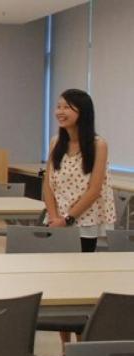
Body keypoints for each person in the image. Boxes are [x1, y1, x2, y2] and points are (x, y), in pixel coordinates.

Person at [44, 88, 116, 250]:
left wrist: (67, 220)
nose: (60, 112)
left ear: (83, 113)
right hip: (56, 219)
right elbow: (48, 183)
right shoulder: (56, 142)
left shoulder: (98, 145)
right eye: (58, 107)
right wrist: (54, 218)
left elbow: (94, 189)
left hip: (84, 220)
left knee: (81, 270)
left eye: (66, 107)